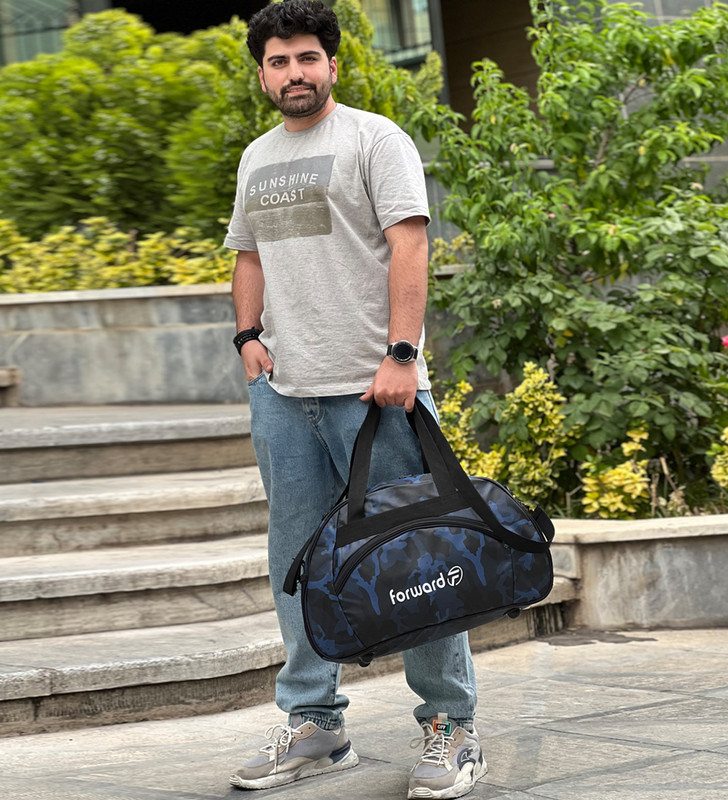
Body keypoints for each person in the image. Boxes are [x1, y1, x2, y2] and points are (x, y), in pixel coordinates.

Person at [224, 2, 486, 797]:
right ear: (263, 74)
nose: (294, 73)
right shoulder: (257, 157)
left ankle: (450, 723)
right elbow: (247, 255)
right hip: (286, 396)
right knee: (295, 563)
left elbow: (412, 242)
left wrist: (403, 354)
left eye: (307, 57)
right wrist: (247, 336)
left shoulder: (375, 139)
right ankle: (315, 723)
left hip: (377, 393)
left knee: (417, 554)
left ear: (332, 65)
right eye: (278, 61)